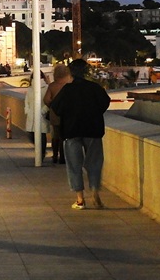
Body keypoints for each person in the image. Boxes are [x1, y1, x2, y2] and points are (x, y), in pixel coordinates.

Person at [49, 59, 110, 209]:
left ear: (71, 73)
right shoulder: (94, 88)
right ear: (86, 72)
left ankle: (80, 199)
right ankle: (95, 192)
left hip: (71, 131)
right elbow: (105, 103)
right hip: (93, 130)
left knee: (74, 165)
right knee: (94, 163)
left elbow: (56, 107)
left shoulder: (67, 90)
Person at [43, 64, 72, 164]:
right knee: (65, 136)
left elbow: (46, 100)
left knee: (56, 135)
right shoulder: (70, 86)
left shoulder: (52, 86)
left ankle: (55, 155)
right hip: (68, 114)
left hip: (55, 114)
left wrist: (53, 106)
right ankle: (63, 157)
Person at [24, 71, 50, 160]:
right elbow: (27, 101)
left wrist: (43, 111)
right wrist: (27, 110)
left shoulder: (46, 88)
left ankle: (41, 153)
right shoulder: (30, 89)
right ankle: (40, 151)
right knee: (31, 134)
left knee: (42, 134)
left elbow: (48, 101)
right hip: (31, 114)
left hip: (41, 114)